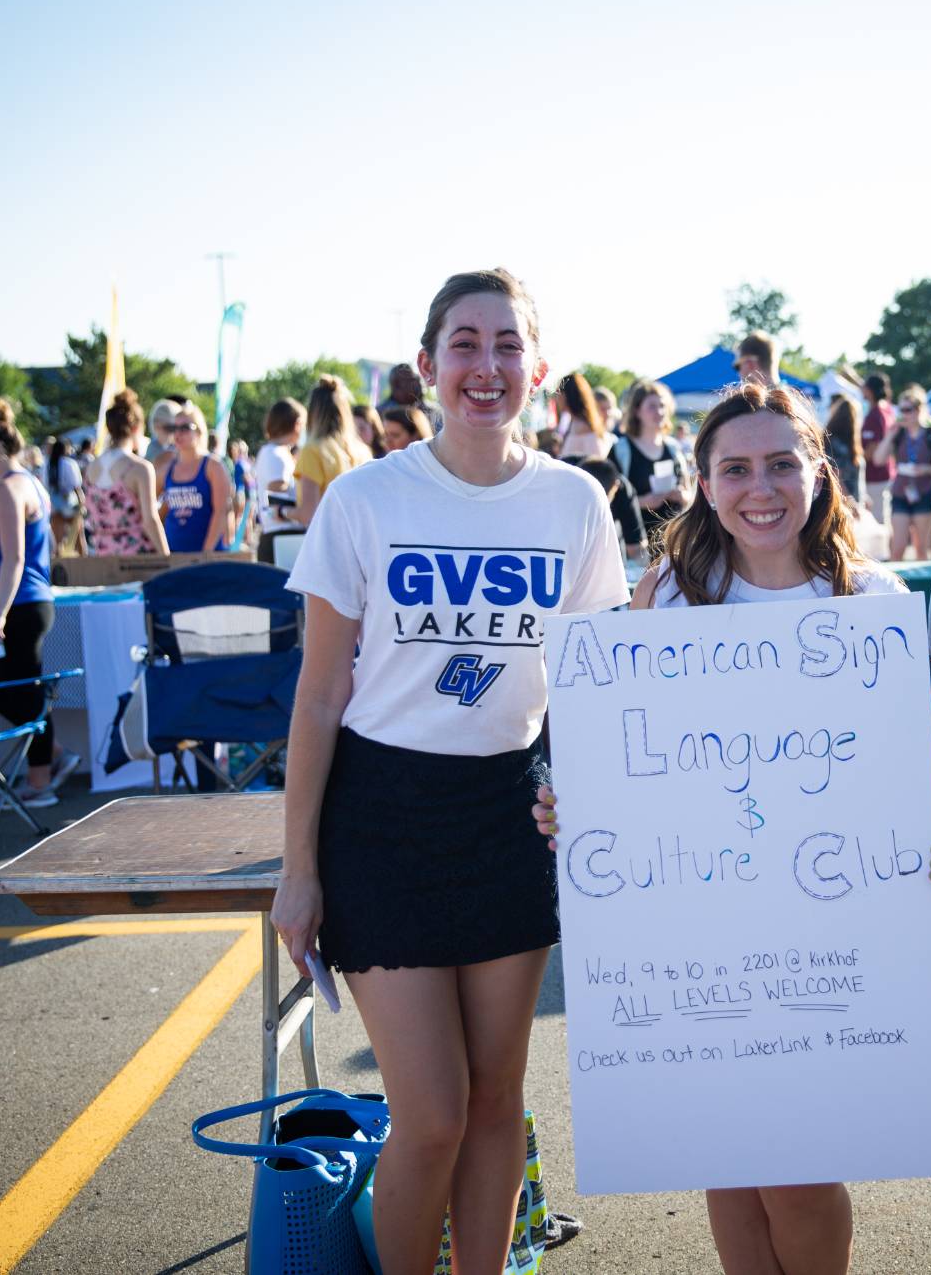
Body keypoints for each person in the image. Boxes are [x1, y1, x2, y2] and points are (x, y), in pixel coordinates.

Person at [532, 380, 931, 1275]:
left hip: (829, 925)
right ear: (705, 484)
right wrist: (583, 802)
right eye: (737, 468)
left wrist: (930, 842)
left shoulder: (867, 597)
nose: (762, 487)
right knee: (724, 1156)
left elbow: (913, 765)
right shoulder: (671, 594)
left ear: (819, 473)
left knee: (795, 1168)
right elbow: (625, 754)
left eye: (782, 463)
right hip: (697, 924)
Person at [270, 268, 627, 1274]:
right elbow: (318, 694)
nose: (486, 365)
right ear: (427, 365)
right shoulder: (364, 498)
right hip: (380, 816)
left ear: (539, 370)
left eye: (506, 345)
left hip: (511, 814)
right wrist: (297, 868)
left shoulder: (574, 503)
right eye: (463, 344)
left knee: (493, 1110)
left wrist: (591, 790)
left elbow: (598, 680)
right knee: (429, 1115)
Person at [0, 396, 78, 808]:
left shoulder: (9, 489)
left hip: (21, 605)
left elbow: (16, 558)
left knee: (18, 691)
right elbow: (25, 551)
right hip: (26, 600)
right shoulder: (28, 483)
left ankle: (40, 780)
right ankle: (55, 758)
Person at [83, 388, 169, 556]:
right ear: (136, 428)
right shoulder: (140, 468)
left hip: (103, 554)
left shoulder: (91, 468)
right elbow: (149, 520)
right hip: (137, 557)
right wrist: (166, 557)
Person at [609, 378, 692, 550]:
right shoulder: (621, 449)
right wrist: (642, 502)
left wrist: (680, 496)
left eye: (662, 406)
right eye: (652, 406)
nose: (659, 411)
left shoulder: (673, 448)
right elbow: (610, 499)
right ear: (637, 411)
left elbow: (688, 495)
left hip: (674, 544)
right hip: (635, 548)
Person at [290, 375, 371, 526]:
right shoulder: (363, 451)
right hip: (360, 540)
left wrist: (283, 512)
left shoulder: (312, 451)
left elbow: (309, 515)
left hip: (329, 542)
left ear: (313, 412)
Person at [878, 385, 931, 560]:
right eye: (900, 410)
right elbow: (878, 459)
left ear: (919, 410)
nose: (903, 415)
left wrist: (925, 469)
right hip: (901, 492)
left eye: (907, 410)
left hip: (923, 493)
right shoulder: (899, 433)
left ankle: (921, 587)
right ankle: (896, 587)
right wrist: (889, 435)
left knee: (921, 550)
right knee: (898, 548)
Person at [156, 401, 234, 553]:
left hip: (207, 557)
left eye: (185, 428)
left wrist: (205, 555)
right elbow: (152, 509)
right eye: (174, 428)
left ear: (199, 431)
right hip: (174, 555)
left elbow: (221, 512)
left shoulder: (213, 467)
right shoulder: (167, 469)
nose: (178, 433)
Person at [255, 398, 305, 563]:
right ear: (297, 424)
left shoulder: (275, 452)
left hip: (281, 536)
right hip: (282, 537)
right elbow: (276, 495)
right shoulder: (276, 454)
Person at [860, 372, 896, 527]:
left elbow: (872, 448)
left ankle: (884, 553)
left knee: (877, 524)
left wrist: (854, 459)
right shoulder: (886, 409)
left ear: (869, 390)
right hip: (884, 474)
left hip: (876, 477)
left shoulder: (876, 415)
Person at [552, 370, 610, 460]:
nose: (557, 399)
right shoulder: (578, 423)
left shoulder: (580, 427)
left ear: (566, 396)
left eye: (559, 394)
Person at [44, 437, 85, 559]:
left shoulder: (48, 464)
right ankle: (83, 562)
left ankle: (58, 565)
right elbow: (76, 485)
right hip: (70, 503)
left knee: (57, 540)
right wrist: (82, 501)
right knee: (78, 536)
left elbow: (45, 484)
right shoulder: (69, 463)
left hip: (54, 503)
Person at [824, 393, 866, 507]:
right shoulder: (836, 444)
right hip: (841, 505)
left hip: (850, 502)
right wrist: (849, 501)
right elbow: (835, 474)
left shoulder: (849, 442)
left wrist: (865, 497)